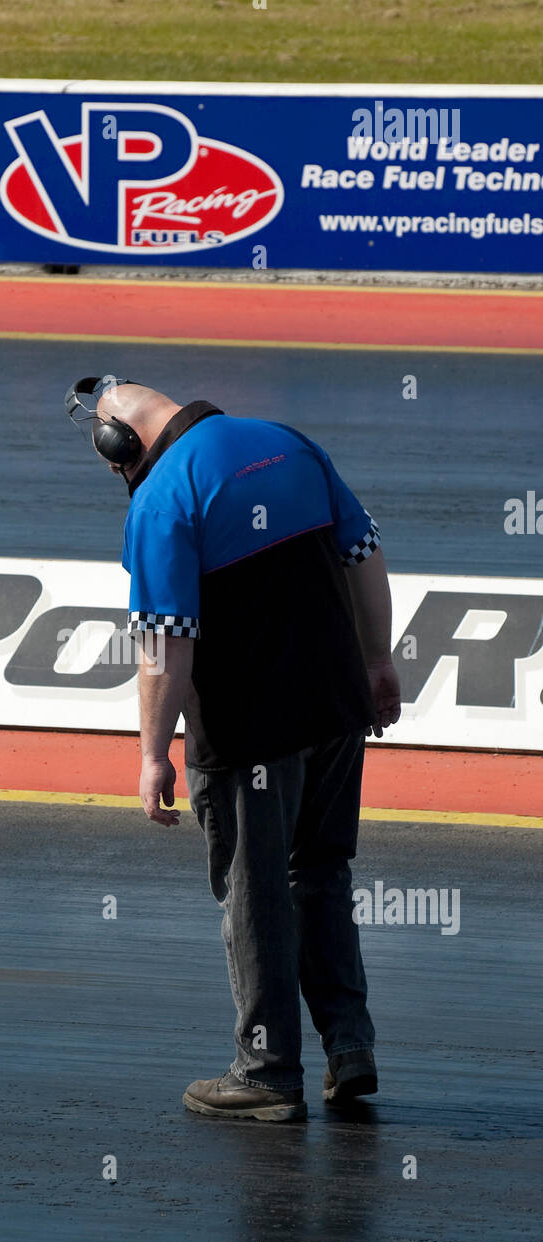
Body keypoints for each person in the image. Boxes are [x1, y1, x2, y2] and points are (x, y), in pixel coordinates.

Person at [65, 375, 402, 1123]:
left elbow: (164, 649)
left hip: (251, 732)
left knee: (255, 894)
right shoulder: (287, 442)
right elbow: (366, 555)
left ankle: (268, 1072)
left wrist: (154, 753)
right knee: (321, 875)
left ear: (120, 446)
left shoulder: (161, 499)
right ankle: (349, 1049)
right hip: (337, 707)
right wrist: (377, 664)